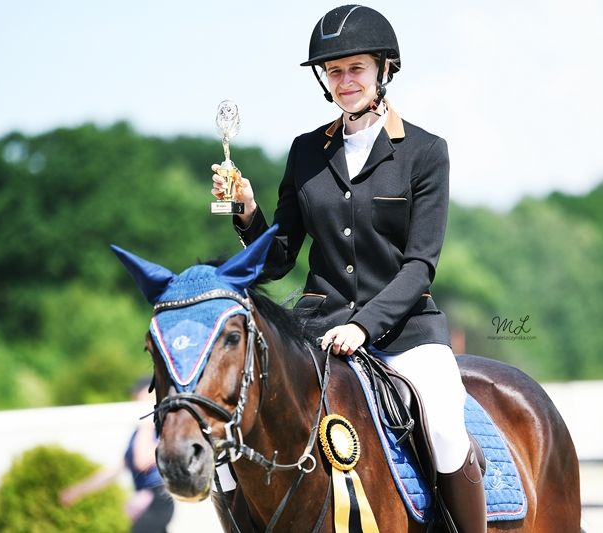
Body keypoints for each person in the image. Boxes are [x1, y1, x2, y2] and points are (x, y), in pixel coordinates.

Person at [210, 5, 486, 532]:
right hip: (317, 329)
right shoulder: (305, 152)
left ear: (384, 69)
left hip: (405, 331)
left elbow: (420, 265)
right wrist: (247, 212)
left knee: (447, 431)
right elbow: (279, 257)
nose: (345, 81)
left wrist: (364, 326)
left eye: (356, 68)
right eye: (334, 71)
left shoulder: (426, 152)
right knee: (236, 425)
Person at [60, 377, 174, 533]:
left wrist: (147, 419)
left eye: (140, 397)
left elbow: (141, 461)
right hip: (145, 499)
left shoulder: (160, 429)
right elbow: (115, 470)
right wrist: (78, 491)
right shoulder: (139, 433)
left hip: (158, 498)